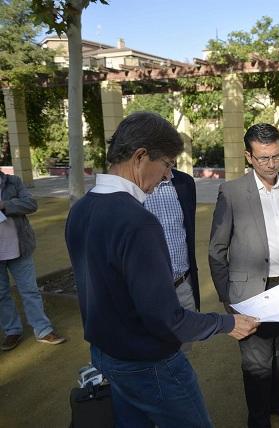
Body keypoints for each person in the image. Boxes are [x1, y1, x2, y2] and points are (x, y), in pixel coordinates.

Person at [65, 112, 259, 428]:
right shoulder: (137, 221)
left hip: (106, 355)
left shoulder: (81, 209)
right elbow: (167, 318)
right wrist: (226, 323)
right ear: (141, 156)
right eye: (167, 164)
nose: (169, 175)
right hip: (148, 361)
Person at [209, 123, 279, 427]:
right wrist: (228, 299)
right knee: (256, 363)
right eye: (263, 158)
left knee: (277, 353)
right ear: (249, 156)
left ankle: (276, 403)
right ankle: (258, 420)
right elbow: (216, 251)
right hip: (249, 295)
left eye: (277, 157)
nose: (272, 164)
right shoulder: (231, 192)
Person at [0, 171, 66, 351]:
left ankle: (43, 329)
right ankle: (12, 330)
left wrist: (5, 205)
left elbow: (31, 204)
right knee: (1, 294)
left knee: (30, 290)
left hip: (20, 247)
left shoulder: (12, 182)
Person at [144, 167, 200, 353]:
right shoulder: (131, 188)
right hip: (148, 293)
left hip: (183, 286)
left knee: (183, 358)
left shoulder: (184, 182)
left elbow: (188, 233)